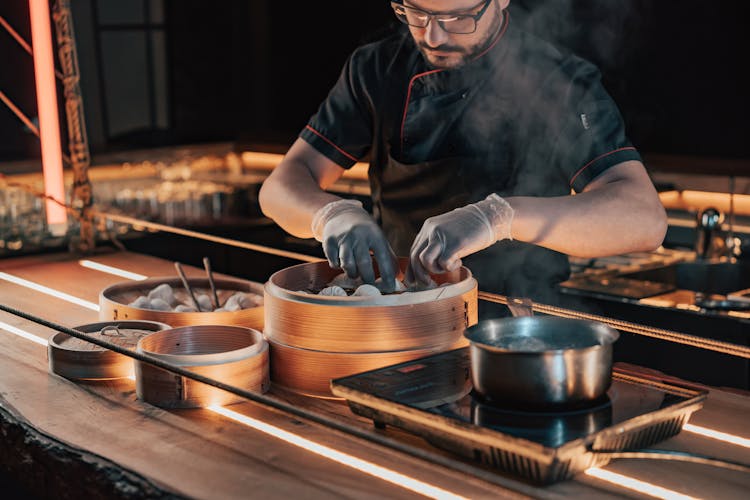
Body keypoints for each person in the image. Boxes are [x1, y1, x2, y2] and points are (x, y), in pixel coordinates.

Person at [259, 0, 667, 301]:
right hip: (394, 308)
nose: (433, 36)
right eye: (416, 13)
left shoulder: (560, 80)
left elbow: (644, 219)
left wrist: (498, 217)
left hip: (513, 321)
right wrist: (331, 215)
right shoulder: (375, 68)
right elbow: (280, 186)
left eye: (458, 17)